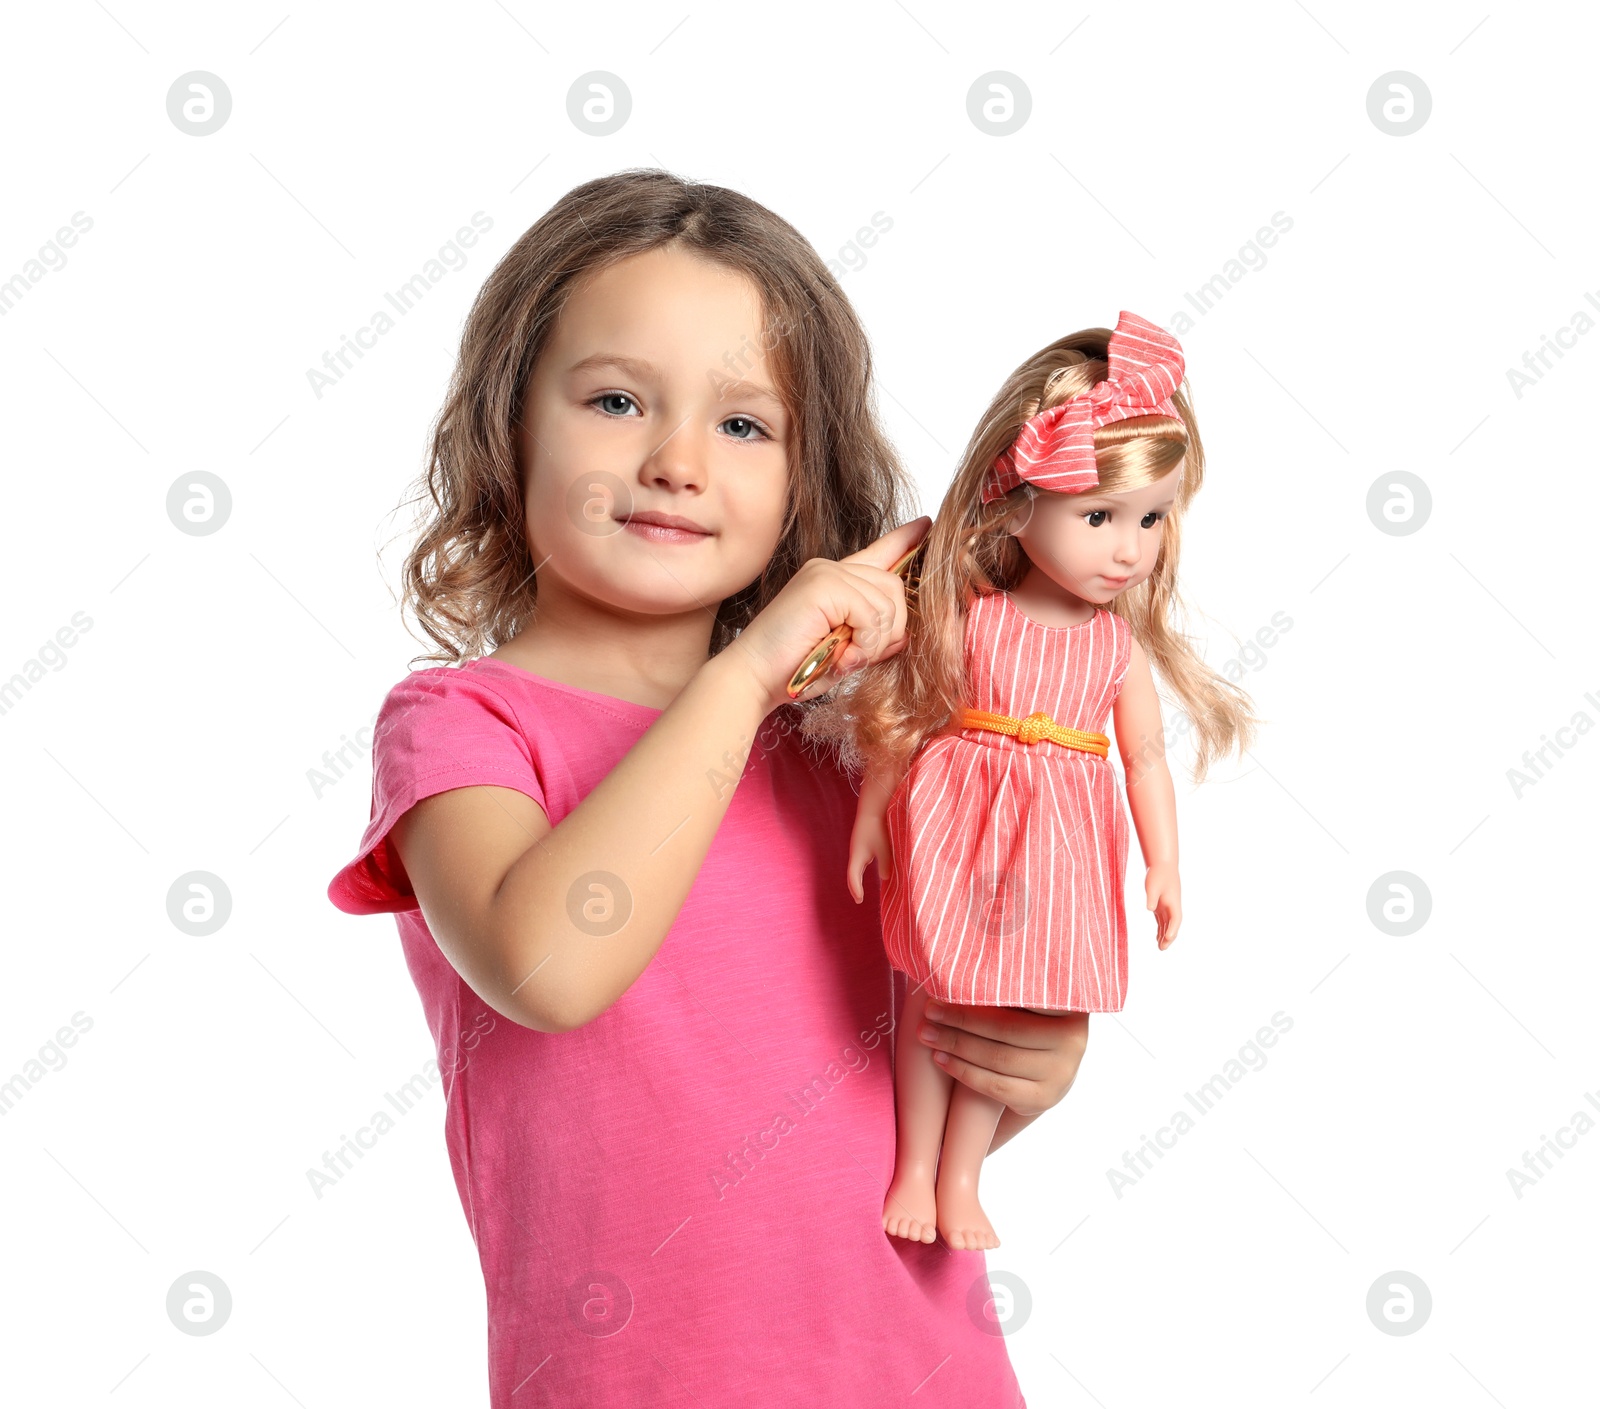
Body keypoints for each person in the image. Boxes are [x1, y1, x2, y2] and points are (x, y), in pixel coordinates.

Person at [326, 168, 1086, 1406]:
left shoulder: (854, 749)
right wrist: (744, 675)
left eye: (744, 425)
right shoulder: (462, 725)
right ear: (507, 426)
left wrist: (1025, 1067)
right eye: (617, 399)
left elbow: (899, 1075)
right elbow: (548, 966)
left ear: (804, 478)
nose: (677, 460)